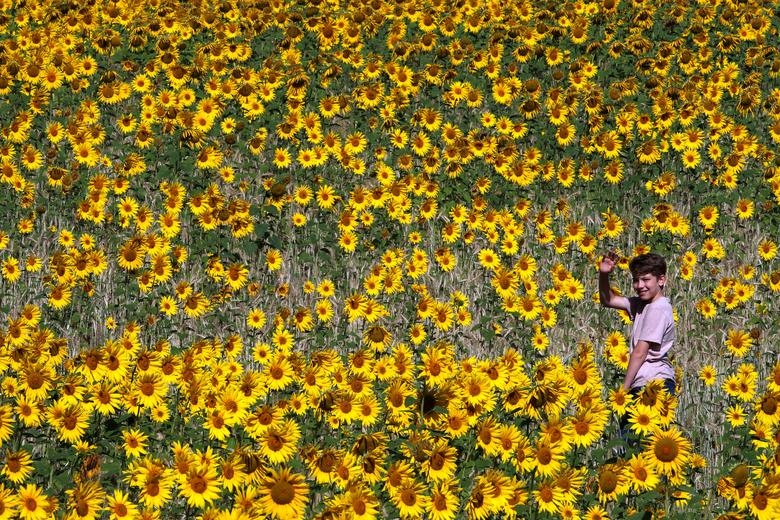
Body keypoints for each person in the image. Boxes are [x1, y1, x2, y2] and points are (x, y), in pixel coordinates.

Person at [598, 251, 676, 396]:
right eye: (636, 280)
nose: (639, 285)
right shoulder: (643, 304)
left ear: (661, 280)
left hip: (654, 383)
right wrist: (604, 274)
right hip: (646, 382)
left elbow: (640, 352)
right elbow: (607, 300)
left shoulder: (657, 308)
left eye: (646, 280)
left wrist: (624, 390)